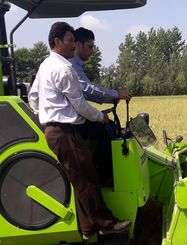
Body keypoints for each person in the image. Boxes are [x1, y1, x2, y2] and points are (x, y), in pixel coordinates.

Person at [28, 22, 130, 240]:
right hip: (65, 132)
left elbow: (33, 97)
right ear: (57, 42)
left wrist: (44, 118)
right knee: (87, 179)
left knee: (78, 179)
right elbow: (81, 105)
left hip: (56, 130)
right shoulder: (65, 69)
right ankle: (106, 224)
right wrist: (100, 116)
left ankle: (87, 229)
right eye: (71, 40)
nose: (74, 45)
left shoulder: (45, 65)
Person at [69, 27, 132, 185]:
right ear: (78, 45)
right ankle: (105, 177)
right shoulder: (71, 65)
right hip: (68, 121)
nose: (92, 51)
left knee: (109, 126)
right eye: (90, 46)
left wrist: (112, 98)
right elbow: (88, 89)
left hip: (74, 114)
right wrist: (116, 94)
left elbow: (88, 93)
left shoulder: (75, 65)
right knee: (105, 131)